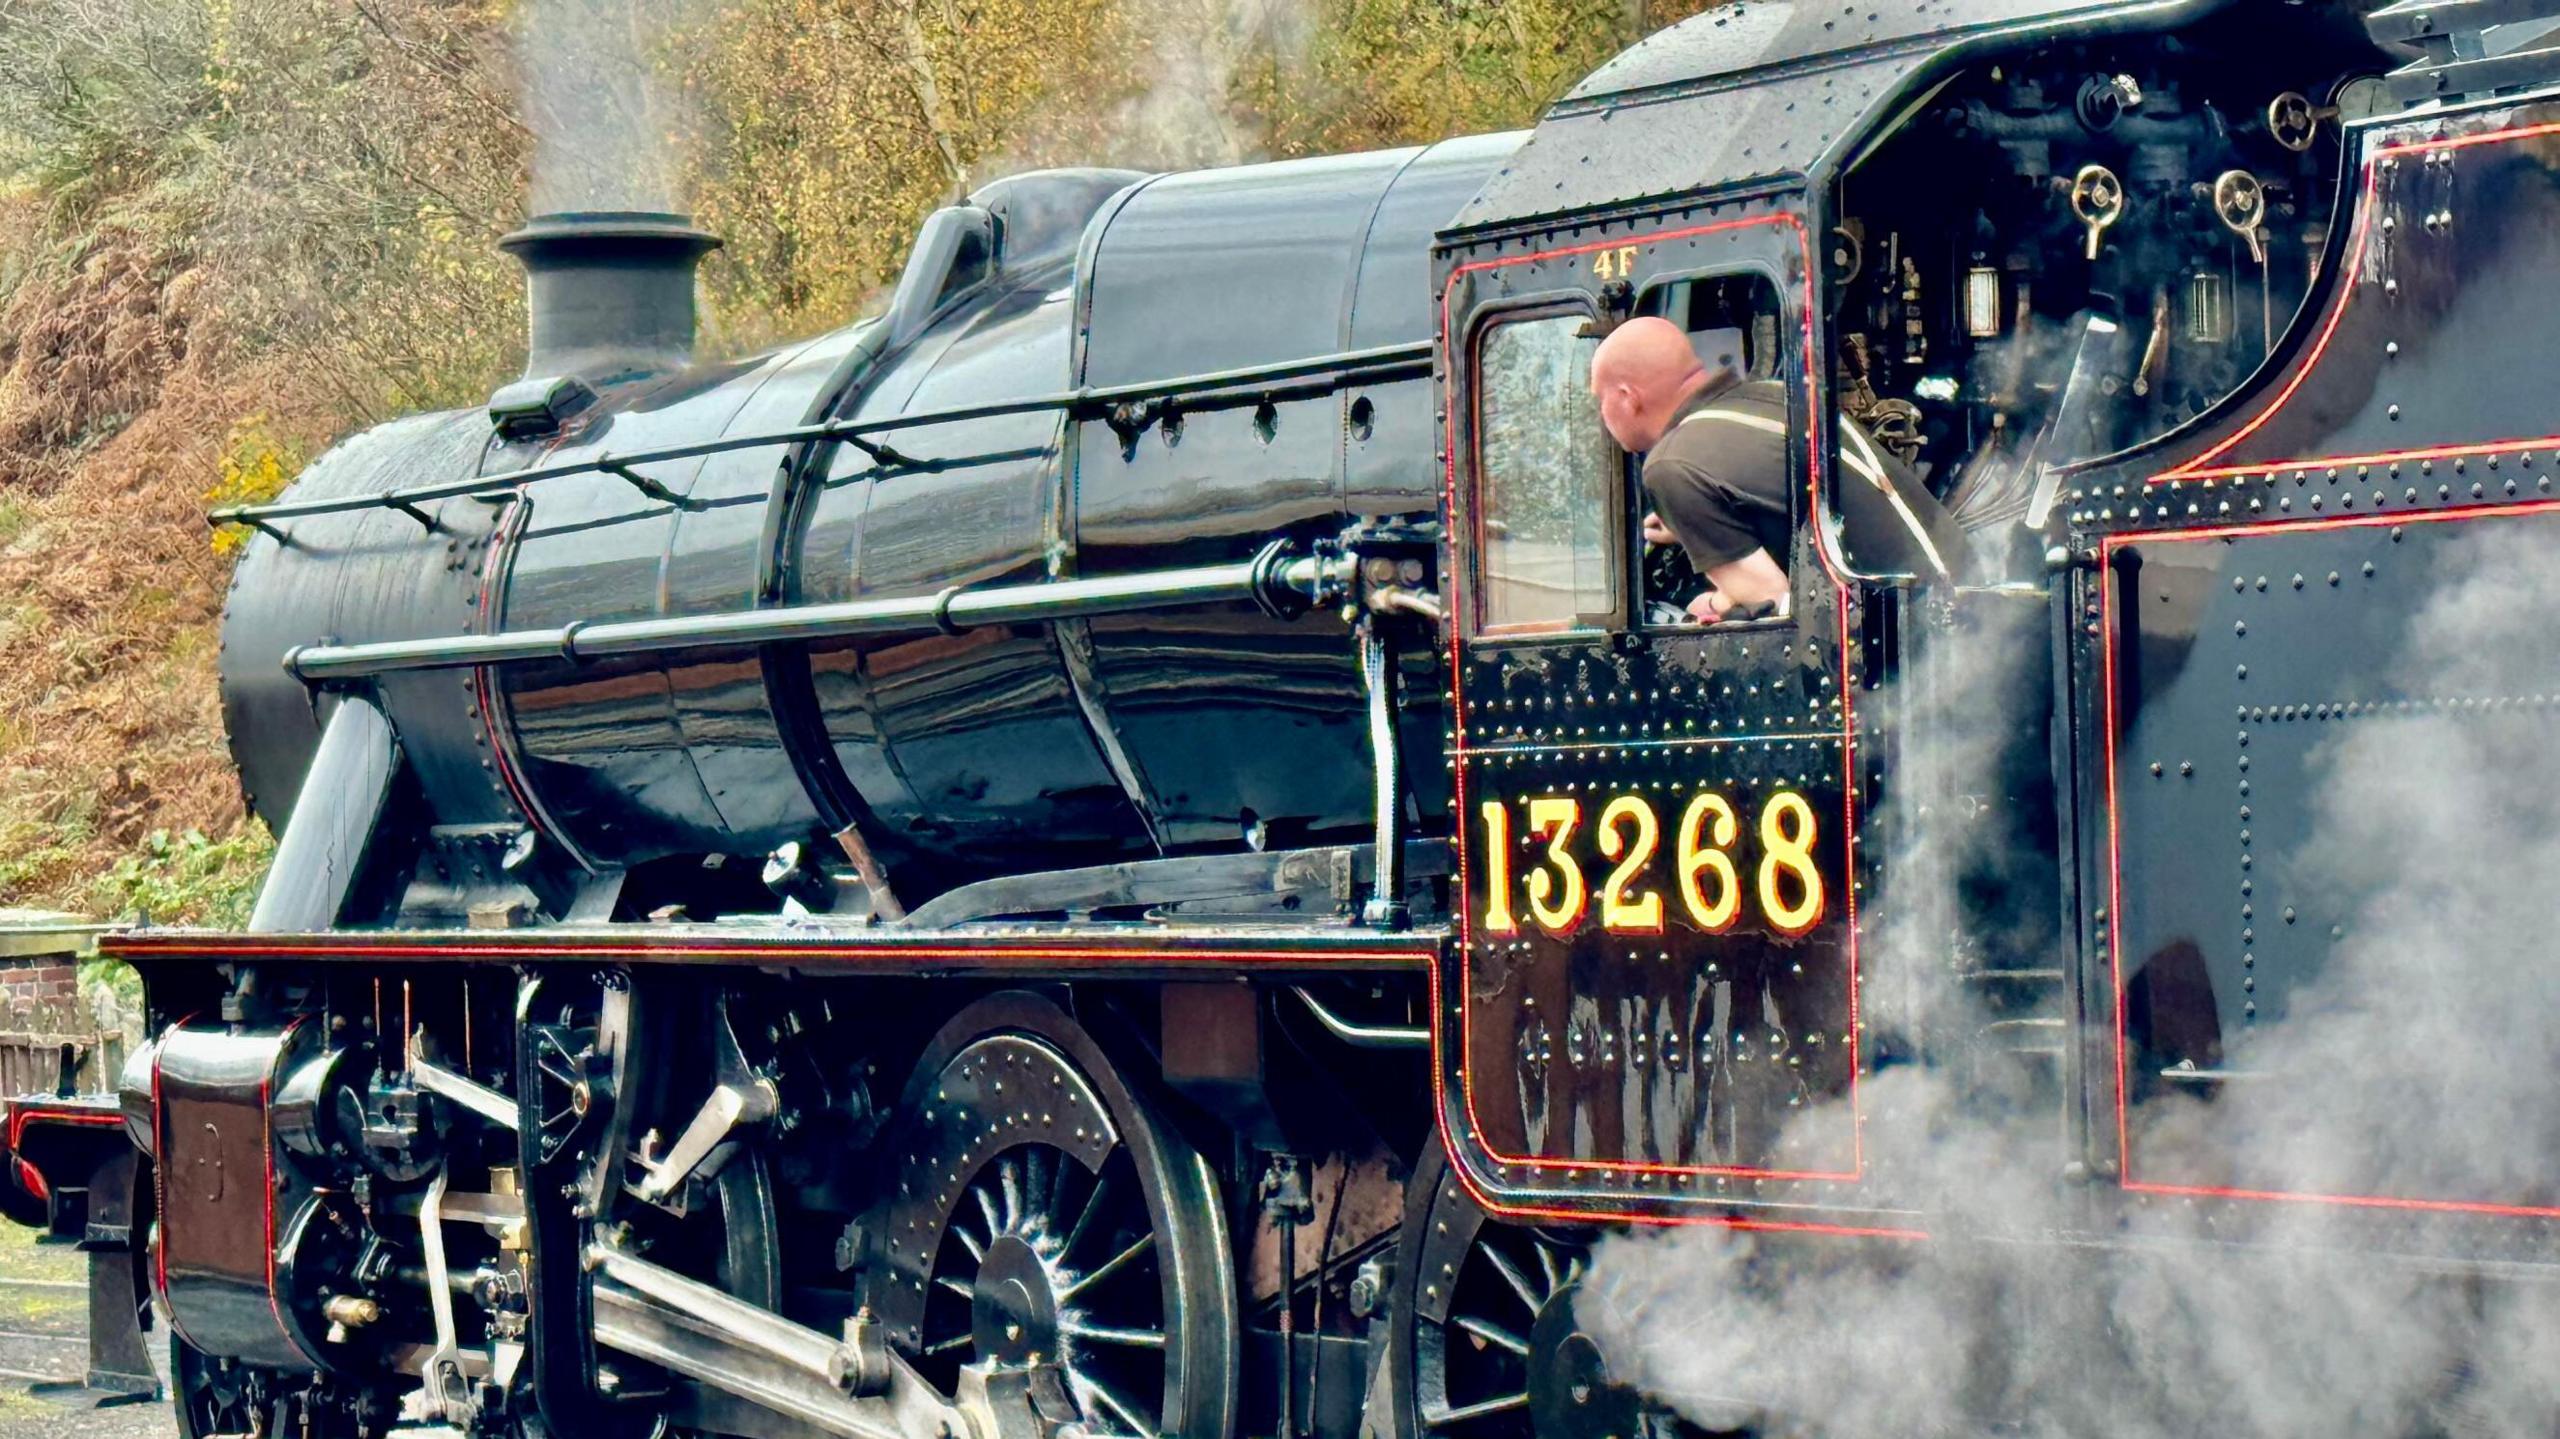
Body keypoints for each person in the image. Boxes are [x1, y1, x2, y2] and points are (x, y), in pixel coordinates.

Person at [1589, 316, 1966, 623]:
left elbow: (1773, 607)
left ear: (1627, 397)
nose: (1601, 414)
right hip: (1970, 607)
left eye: (1599, 400)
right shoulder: (1777, 397)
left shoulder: (1672, 467)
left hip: (1917, 647)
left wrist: (1717, 605)